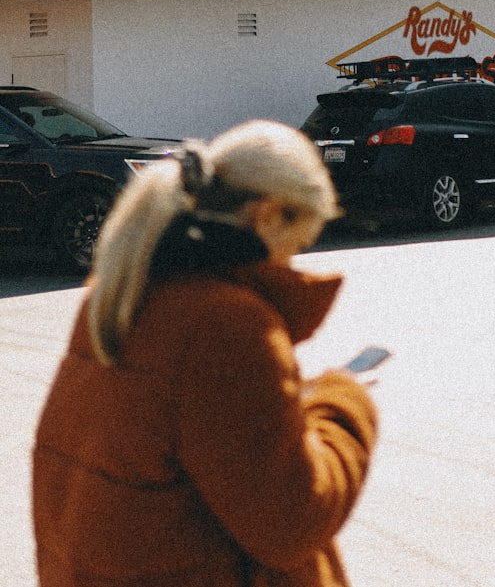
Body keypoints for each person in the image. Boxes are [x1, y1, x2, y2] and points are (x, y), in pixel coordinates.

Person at [32, 119, 379, 587]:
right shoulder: (225, 324)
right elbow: (291, 522)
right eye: (297, 243)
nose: (292, 261)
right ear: (270, 216)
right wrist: (344, 400)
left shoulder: (121, 295)